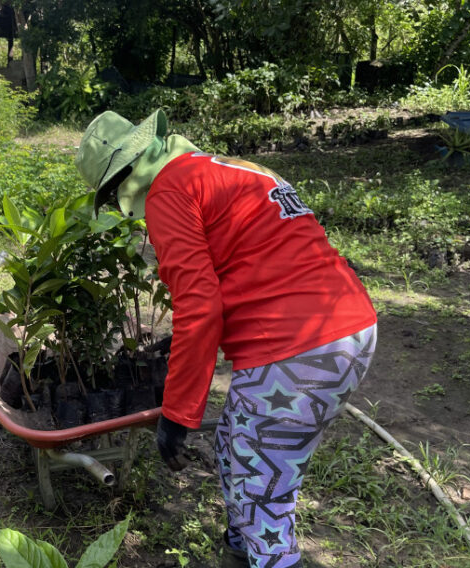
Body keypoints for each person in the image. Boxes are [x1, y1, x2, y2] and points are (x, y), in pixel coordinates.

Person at [75, 110, 377, 568]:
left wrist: (177, 416)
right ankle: (238, 551)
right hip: (347, 328)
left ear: (125, 177)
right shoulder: (229, 168)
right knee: (236, 447)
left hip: (294, 352)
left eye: (115, 192)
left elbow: (200, 308)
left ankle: (263, 552)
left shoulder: (169, 192)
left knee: (263, 502)